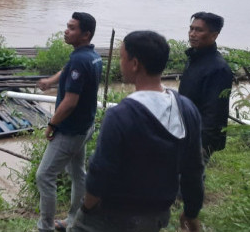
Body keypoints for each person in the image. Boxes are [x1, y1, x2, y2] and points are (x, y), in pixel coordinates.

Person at [72, 31, 204, 232]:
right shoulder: (187, 108)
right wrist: (191, 212)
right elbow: (194, 169)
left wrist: (87, 208)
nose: (119, 62)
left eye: (122, 58)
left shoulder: (120, 115)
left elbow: (100, 172)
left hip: (114, 215)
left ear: (134, 64)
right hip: (157, 213)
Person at [35, 12, 103, 232]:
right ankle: (74, 219)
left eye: (72, 28)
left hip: (70, 130)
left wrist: (52, 124)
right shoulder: (92, 56)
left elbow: (70, 102)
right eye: (67, 26)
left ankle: (45, 227)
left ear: (85, 34)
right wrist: (51, 82)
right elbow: (66, 71)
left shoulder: (79, 59)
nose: (66, 30)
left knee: (45, 175)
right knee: (78, 173)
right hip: (85, 125)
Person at [178, 11, 234, 162]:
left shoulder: (218, 69)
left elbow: (215, 111)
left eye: (199, 30)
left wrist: (204, 146)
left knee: (189, 182)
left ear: (214, 35)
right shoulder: (194, 58)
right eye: (191, 29)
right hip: (184, 133)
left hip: (199, 140)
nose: (192, 34)